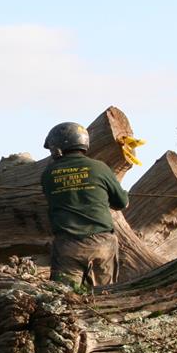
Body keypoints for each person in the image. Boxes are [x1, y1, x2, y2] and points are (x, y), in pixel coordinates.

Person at [40, 122, 129, 288]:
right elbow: (121, 202)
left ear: (58, 147)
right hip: (102, 244)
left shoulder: (49, 173)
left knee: (64, 296)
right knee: (103, 296)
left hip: (67, 246)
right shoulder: (100, 167)